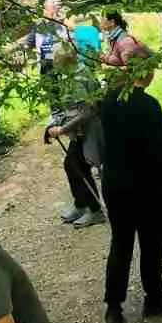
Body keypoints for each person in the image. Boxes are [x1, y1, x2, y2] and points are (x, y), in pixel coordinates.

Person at [99, 57, 162, 323]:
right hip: (146, 186)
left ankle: (114, 308)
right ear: (147, 73)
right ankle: (154, 296)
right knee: (151, 242)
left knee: (120, 245)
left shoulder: (107, 99)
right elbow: (153, 149)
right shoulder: (148, 105)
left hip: (114, 183)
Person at [45, 43, 105, 229]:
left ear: (63, 60)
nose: (53, 62)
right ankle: (81, 204)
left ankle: (95, 211)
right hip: (78, 130)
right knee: (71, 165)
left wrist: (62, 130)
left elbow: (86, 111)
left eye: (55, 58)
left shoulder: (78, 77)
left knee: (78, 166)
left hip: (86, 130)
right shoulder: (71, 73)